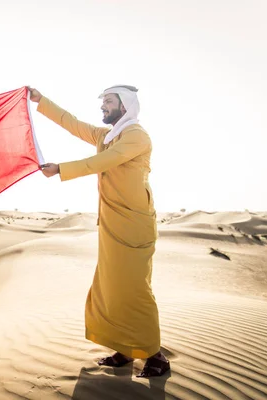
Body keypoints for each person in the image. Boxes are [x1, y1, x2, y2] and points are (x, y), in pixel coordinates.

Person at [28, 85, 169, 378]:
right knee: (112, 286)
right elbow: (74, 124)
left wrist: (61, 169)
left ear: (125, 105)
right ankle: (125, 348)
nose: (103, 106)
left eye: (108, 101)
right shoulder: (106, 135)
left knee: (135, 289)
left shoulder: (136, 136)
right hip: (110, 221)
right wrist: (43, 102)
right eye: (103, 101)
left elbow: (104, 161)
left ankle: (155, 355)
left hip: (135, 223)